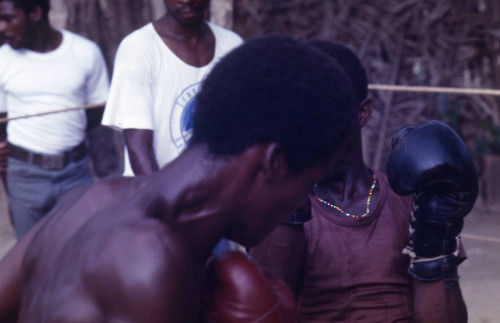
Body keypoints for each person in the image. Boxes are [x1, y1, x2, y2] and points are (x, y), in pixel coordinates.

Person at [0, 35, 357, 322]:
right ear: (274, 163)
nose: (300, 204)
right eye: (306, 185)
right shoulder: (151, 266)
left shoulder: (90, 200)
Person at [250, 41, 478, 323]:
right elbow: (268, 312)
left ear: (362, 112)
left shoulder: (410, 200)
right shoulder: (284, 207)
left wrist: (436, 237)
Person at [0, 0, 110, 237]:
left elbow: (97, 114)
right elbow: (1, 123)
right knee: (30, 258)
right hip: (25, 176)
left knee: (81, 250)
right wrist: (9, 187)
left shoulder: (85, 52)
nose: (1, 28)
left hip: (76, 173)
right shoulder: (3, 59)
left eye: (8, 19)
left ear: (35, 14)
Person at [102, 0, 243, 176]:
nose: (186, 0)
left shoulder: (232, 45)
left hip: (214, 190)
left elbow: (241, 132)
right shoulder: (138, 48)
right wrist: (160, 200)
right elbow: (138, 145)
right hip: (157, 191)